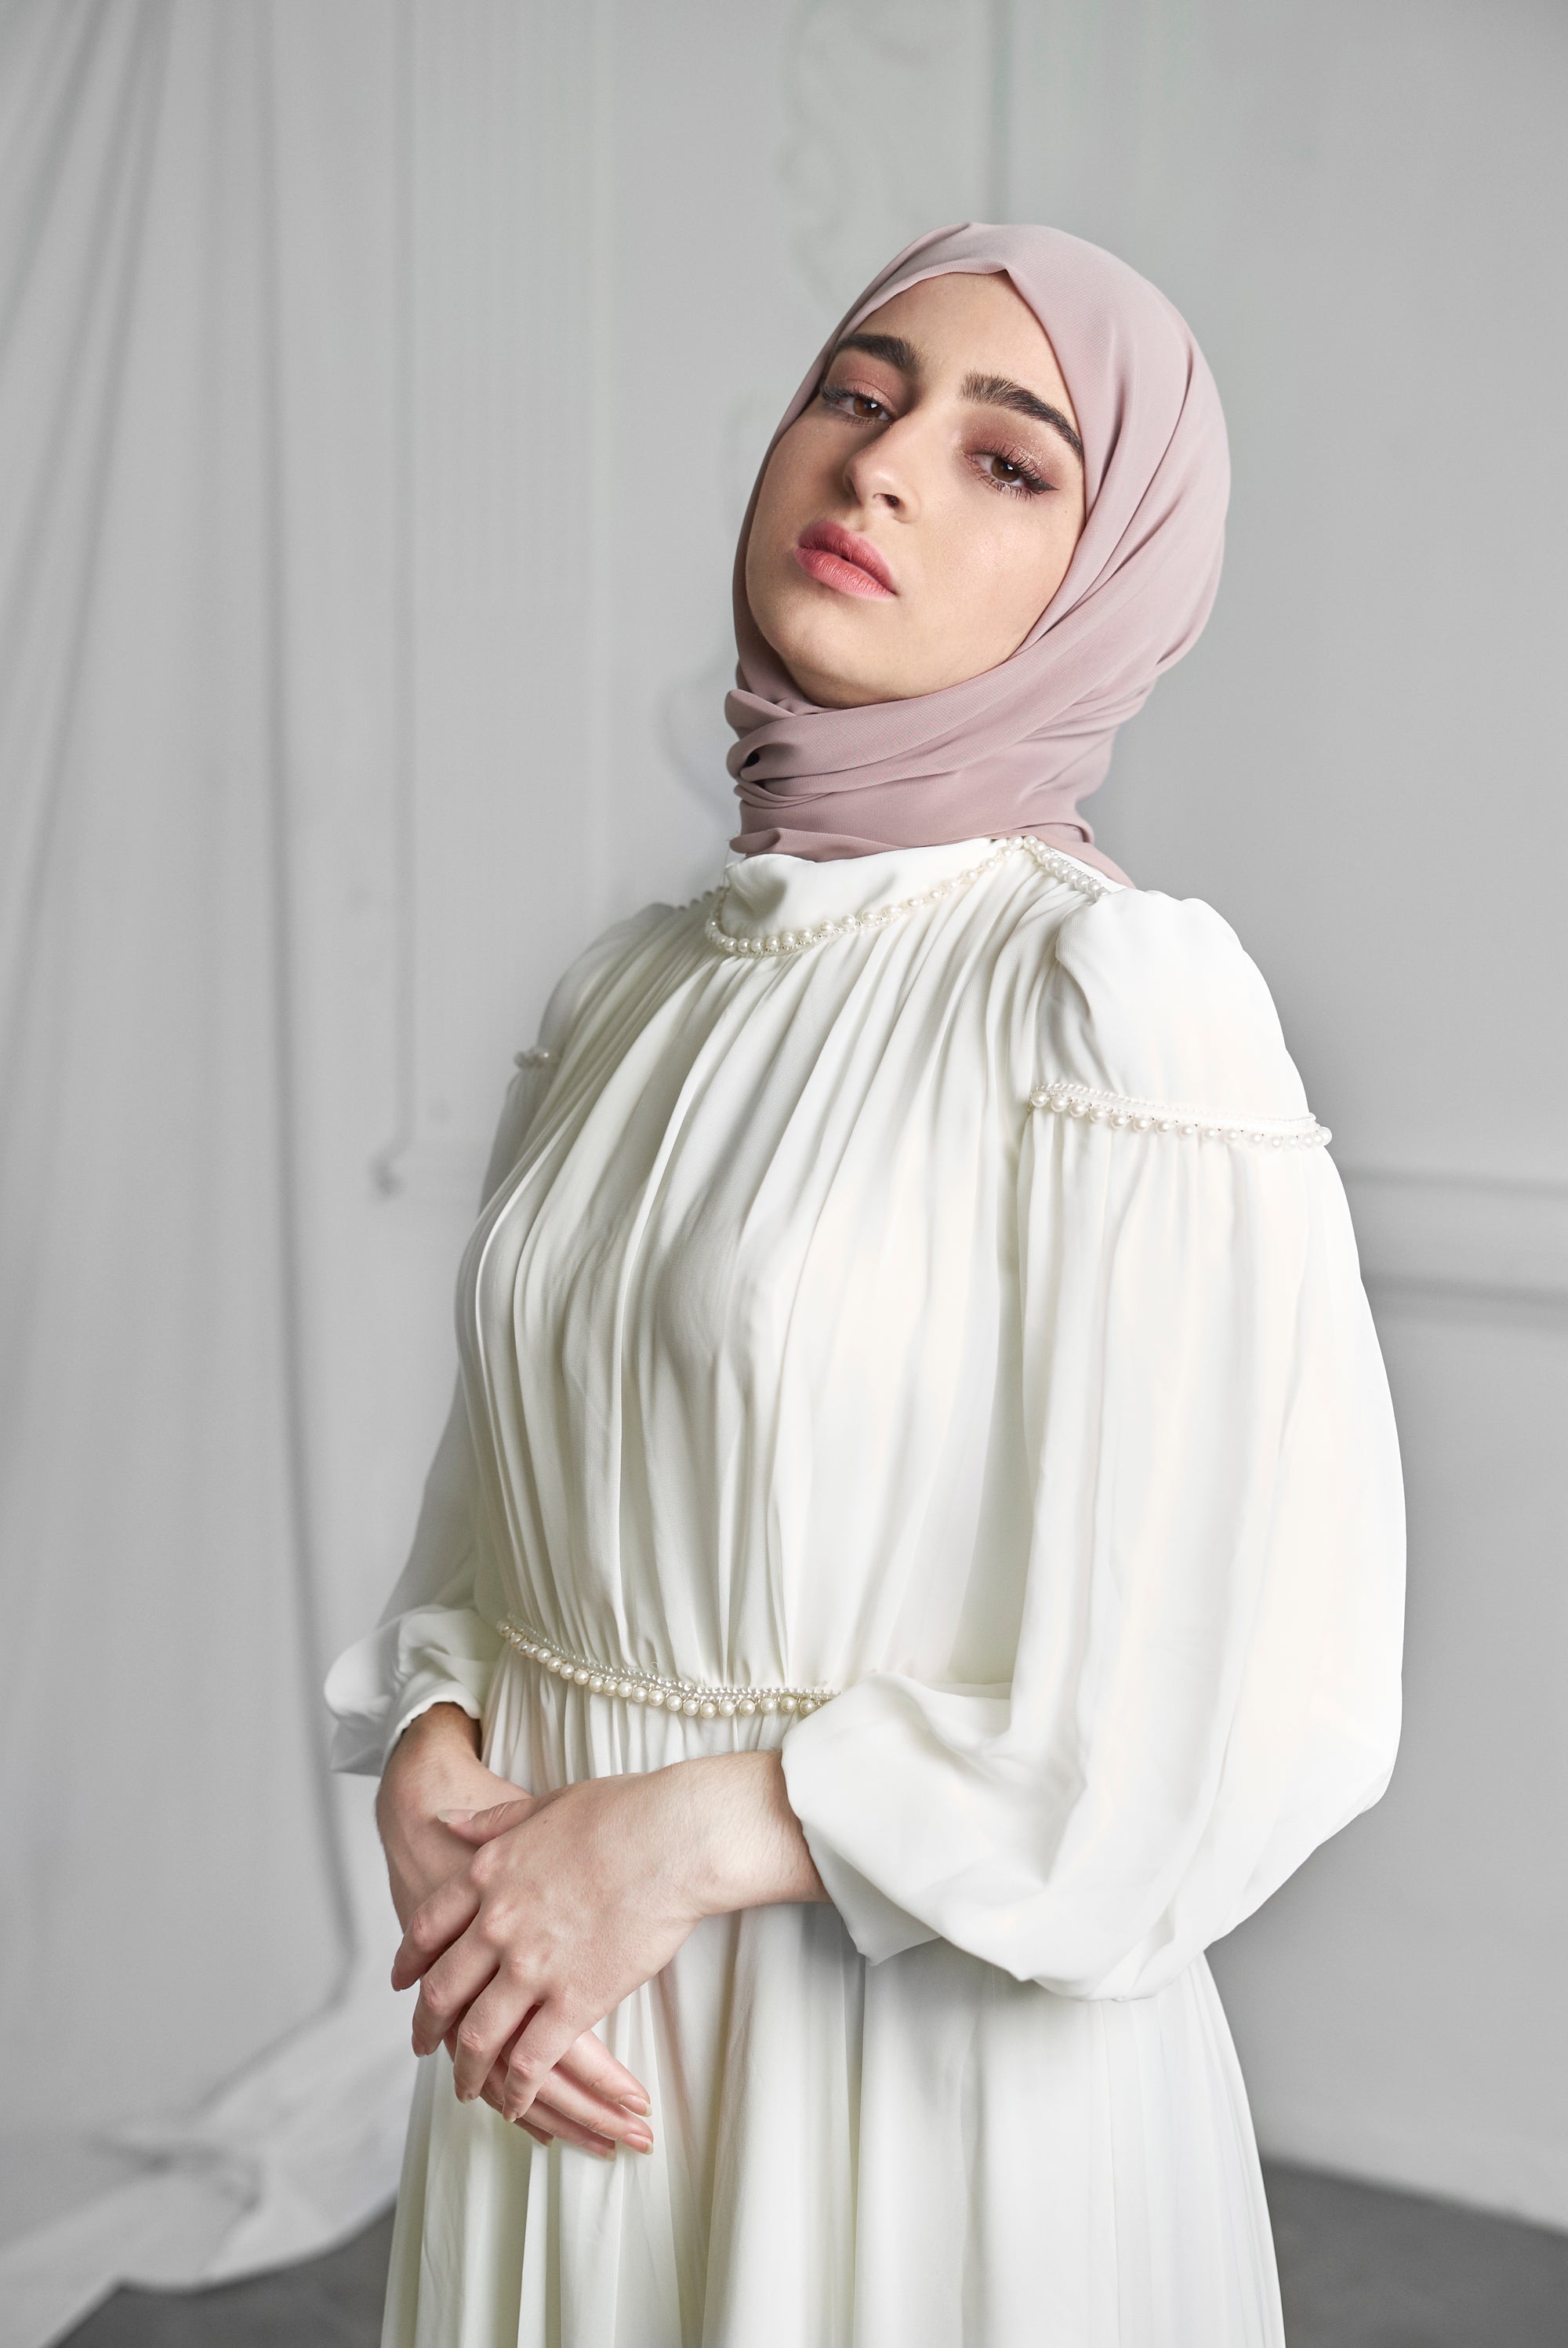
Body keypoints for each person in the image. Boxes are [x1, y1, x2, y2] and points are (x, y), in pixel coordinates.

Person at [326, 223, 1405, 2348]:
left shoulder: (1118, 1002)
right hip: (566, 2025)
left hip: (908, 2077)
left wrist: (680, 1841)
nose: (885, 466)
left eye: (1009, 460)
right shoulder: (629, 988)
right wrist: (434, 1744)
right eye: (858, 392)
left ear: (1115, 582)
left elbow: (1234, 1702)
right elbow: (513, 1497)